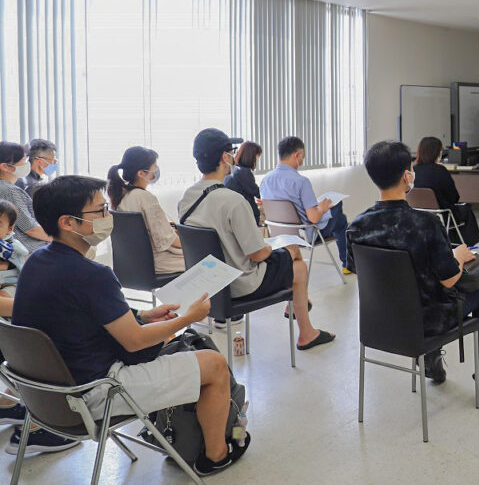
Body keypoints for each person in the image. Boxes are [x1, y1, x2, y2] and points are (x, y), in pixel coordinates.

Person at [13, 176, 250, 473]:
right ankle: (215, 456)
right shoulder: (93, 274)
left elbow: (76, 319)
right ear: (68, 222)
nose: (107, 218)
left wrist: (142, 317)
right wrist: (189, 318)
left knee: (173, 346)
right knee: (214, 364)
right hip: (98, 392)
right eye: (99, 212)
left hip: (45, 397)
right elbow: (135, 342)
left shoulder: (36, 263)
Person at [347, 140, 479, 398]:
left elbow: (356, 268)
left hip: (379, 321)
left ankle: (431, 359)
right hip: (427, 320)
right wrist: (457, 257)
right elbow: (449, 280)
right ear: (407, 176)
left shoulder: (357, 225)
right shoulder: (425, 223)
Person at [179, 128, 334, 351]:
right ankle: (306, 334)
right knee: (298, 264)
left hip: (207, 286)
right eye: (231, 152)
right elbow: (258, 254)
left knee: (290, 253)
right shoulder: (233, 201)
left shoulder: (187, 198)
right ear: (225, 157)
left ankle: (296, 313)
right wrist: (272, 247)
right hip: (239, 284)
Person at [260, 136, 351, 274]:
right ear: (297, 155)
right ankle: (347, 264)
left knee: (339, 221)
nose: (302, 161)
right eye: (303, 157)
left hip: (278, 232)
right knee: (339, 212)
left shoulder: (265, 180)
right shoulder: (301, 181)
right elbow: (313, 218)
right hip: (306, 234)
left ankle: (346, 262)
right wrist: (322, 207)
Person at [107, 146, 185, 274]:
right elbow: (166, 240)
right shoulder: (145, 198)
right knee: (206, 259)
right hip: (159, 263)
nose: (156, 172)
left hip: (134, 263)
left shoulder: (121, 196)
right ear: (141, 173)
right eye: (154, 168)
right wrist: (192, 243)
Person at [413, 136, 479, 246]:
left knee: (452, 211)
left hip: (417, 215)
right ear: (436, 153)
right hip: (440, 215)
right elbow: (454, 197)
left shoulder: (412, 170)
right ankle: (466, 246)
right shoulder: (440, 170)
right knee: (465, 210)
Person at [0, 141, 50, 254]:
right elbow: (31, 229)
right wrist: (59, 239)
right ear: (5, 167)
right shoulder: (9, 191)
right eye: (23, 160)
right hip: (26, 249)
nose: (27, 164)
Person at [225, 141, 263, 224]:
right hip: (247, 216)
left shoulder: (234, 170)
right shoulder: (244, 172)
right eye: (256, 157)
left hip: (234, 215)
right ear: (251, 156)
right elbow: (257, 192)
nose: (256, 160)